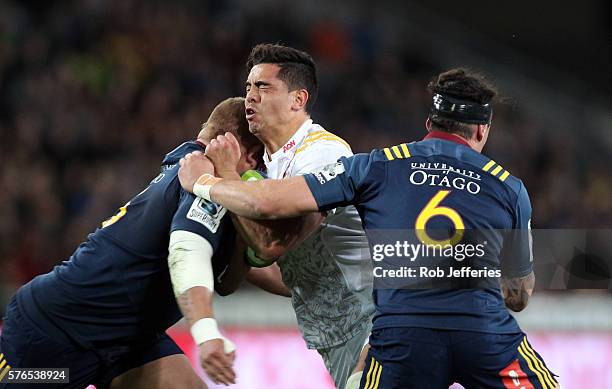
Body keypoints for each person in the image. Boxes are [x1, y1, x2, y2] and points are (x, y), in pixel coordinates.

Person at [178, 69, 560, 389]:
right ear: (481, 132)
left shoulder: (375, 165)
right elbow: (517, 295)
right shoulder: (509, 187)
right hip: (484, 334)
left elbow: (267, 202)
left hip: (401, 340)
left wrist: (207, 182)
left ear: (429, 124)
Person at [0, 97, 262, 389]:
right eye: (264, 165)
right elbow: (186, 253)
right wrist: (206, 331)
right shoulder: (202, 178)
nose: (263, 179)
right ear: (249, 158)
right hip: (57, 332)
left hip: (130, 339)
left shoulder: (192, 164)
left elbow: (228, 281)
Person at [199, 43, 375, 389]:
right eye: (248, 87)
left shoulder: (322, 153)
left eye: (263, 87)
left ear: (298, 100)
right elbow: (282, 275)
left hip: (375, 323)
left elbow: (272, 246)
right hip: (335, 336)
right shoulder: (268, 170)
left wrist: (218, 180)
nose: (251, 97)